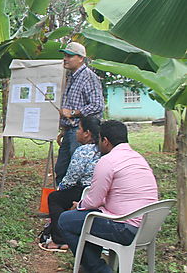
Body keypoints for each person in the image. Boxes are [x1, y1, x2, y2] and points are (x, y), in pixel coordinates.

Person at [58, 120, 158, 273]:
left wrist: (78, 205)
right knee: (89, 219)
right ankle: (91, 266)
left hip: (124, 228)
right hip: (147, 228)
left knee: (66, 220)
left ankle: (99, 269)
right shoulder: (138, 158)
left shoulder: (108, 161)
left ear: (105, 141)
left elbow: (93, 201)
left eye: (99, 140)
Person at [39, 117, 101, 251]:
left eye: (79, 128)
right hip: (101, 193)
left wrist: (60, 188)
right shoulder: (105, 150)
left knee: (55, 198)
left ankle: (59, 240)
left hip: (85, 191)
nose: (77, 132)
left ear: (87, 133)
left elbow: (71, 178)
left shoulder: (83, 151)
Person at [56, 42, 104, 184]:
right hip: (70, 131)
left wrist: (72, 113)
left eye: (70, 56)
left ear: (81, 58)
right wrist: (64, 129)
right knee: (61, 169)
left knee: (77, 171)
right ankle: (62, 201)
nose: (65, 58)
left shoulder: (88, 77)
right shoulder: (71, 77)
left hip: (81, 132)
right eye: (65, 55)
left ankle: (77, 203)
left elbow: (97, 105)